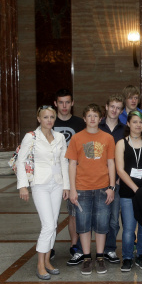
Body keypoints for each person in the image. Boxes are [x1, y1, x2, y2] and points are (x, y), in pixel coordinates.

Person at [17, 106, 70, 280]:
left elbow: (64, 162)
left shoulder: (60, 137)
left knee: (53, 223)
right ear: (39, 119)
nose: (49, 120)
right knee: (48, 224)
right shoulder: (31, 137)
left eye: (52, 117)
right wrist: (23, 186)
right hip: (39, 184)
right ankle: (40, 264)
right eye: (45, 117)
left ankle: (47, 260)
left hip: (56, 184)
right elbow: (21, 160)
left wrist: (66, 186)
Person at [67, 104, 116, 275]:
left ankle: (100, 257)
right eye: (89, 116)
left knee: (103, 224)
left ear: (100, 118)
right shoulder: (76, 138)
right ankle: (87, 258)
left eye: (95, 115)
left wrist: (111, 187)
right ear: (84, 118)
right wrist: (72, 189)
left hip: (103, 188)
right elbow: (72, 164)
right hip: (82, 188)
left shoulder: (108, 138)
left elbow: (111, 163)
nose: (93, 119)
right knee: (83, 224)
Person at [115, 110, 142, 272]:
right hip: (128, 193)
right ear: (128, 124)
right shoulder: (121, 144)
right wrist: (135, 189)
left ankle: (141, 255)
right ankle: (126, 257)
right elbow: (120, 169)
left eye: (141, 122)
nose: (138, 125)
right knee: (128, 229)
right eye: (134, 122)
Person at [53, 88, 85, 265]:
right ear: (55, 103)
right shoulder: (50, 121)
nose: (64, 106)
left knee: (73, 212)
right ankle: (49, 246)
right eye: (61, 102)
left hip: (73, 174)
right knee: (51, 214)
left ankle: (74, 246)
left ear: (72, 103)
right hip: (53, 175)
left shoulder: (80, 123)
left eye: (67, 102)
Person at [99, 94, 126, 264]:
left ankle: (110, 249)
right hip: (97, 179)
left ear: (121, 111)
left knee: (114, 219)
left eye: (118, 108)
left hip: (116, 181)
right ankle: (85, 249)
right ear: (107, 107)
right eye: (112, 106)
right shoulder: (97, 126)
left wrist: (119, 178)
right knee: (97, 217)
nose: (114, 110)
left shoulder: (124, 130)